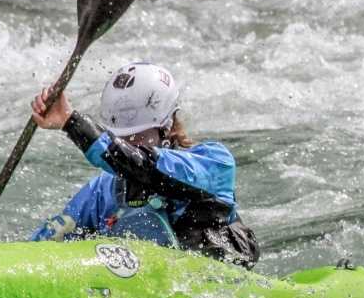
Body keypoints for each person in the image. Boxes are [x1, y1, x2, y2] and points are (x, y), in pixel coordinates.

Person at [28, 62, 259, 269]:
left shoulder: (214, 164)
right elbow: (44, 245)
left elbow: (144, 167)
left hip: (210, 293)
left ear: (167, 127)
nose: (128, 143)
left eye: (137, 136)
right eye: (119, 137)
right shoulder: (103, 191)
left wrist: (72, 122)